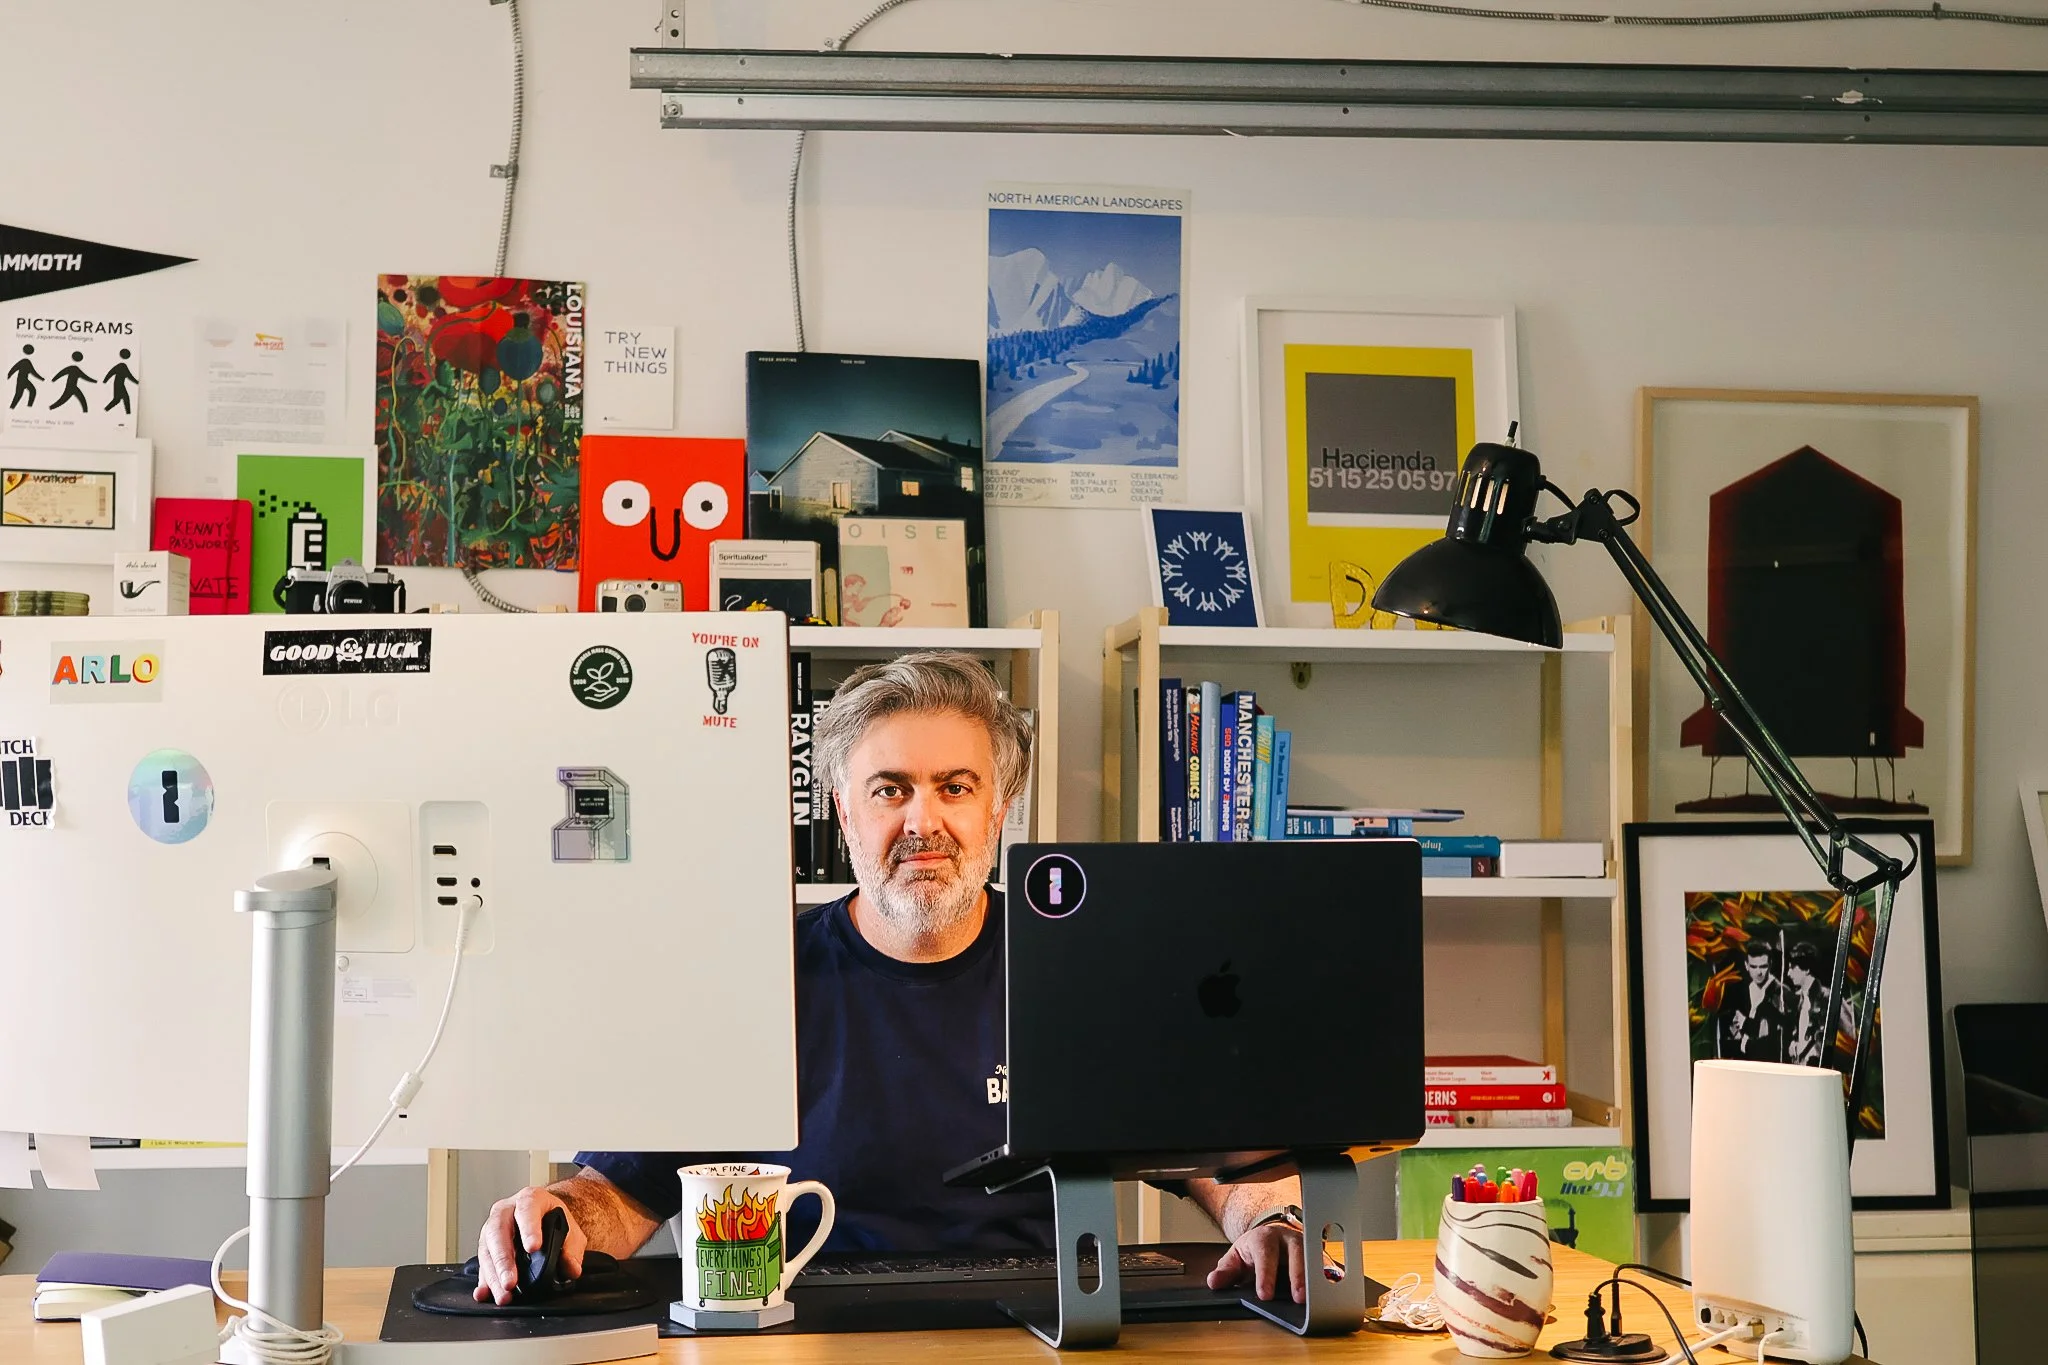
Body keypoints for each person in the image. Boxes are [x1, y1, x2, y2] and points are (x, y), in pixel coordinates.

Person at [475, 651, 1309, 1306]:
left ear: (997, 806)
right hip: (799, 1341)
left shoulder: (1082, 969)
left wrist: (1271, 1219)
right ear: (844, 812)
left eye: (955, 787)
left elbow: (1222, 1160)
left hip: (1040, 1335)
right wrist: (553, 1219)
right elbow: (618, 1195)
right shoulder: (753, 978)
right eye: (890, 789)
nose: (924, 821)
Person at [1716, 942, 1784, 1062]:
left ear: (1770, 965)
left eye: (1763, 966)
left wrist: (1744, 1023)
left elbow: (1771, 1034)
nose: (1758, 972)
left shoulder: (1779, 993)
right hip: (1745, 1058)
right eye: (1753, 967)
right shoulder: (1743, 990)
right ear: (1746, 965)